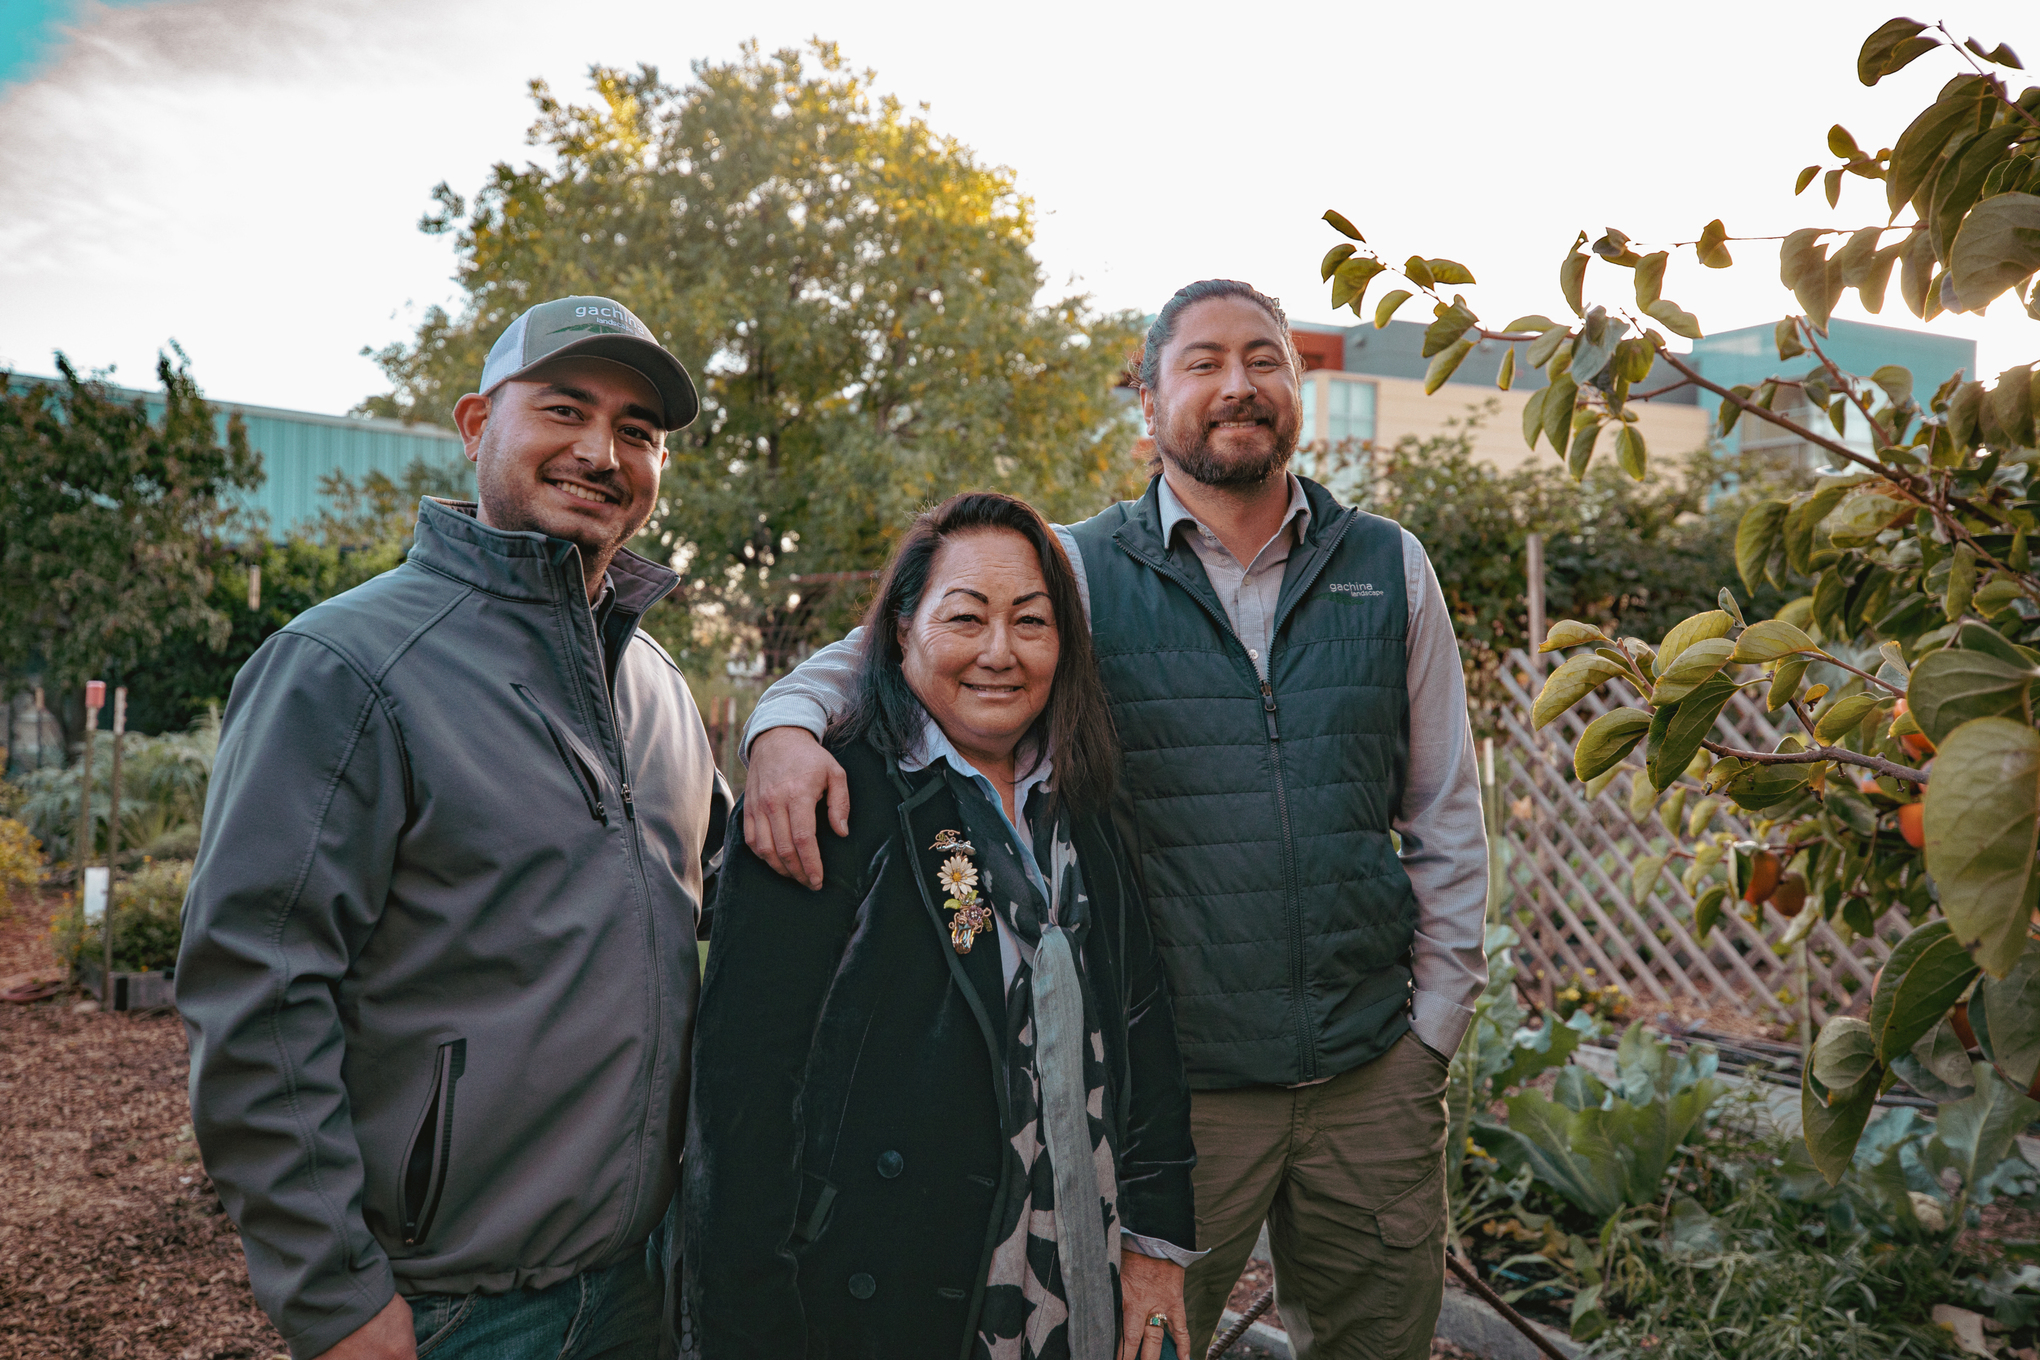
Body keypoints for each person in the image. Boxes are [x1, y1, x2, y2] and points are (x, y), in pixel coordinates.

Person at [739, 280, 1488, 1358]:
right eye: (1202, 361)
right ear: (1149, 400)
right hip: (1181, 1094)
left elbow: (1448, 816)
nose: (1239, 383)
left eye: (1265, 358)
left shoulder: (1388, 566)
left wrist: (1432, 1036)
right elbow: (897, 651)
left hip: (1369, 1080)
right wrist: (785, 726)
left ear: (1297, 385)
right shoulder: (1079, 569)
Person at [178, 295, 730, 1360]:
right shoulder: (346, 667)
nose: (601, 451)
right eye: (565, 408)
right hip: (457, 1313)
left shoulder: (656, 686)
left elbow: (739, 891)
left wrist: (807, 720)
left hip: (647, 1288)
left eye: (638, 431)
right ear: (479, 426)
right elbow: (254, 991)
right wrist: (335, 1295)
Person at [683, 492, 1198, 1360]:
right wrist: (751, 1327)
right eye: (966, 618)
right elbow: (745, 1097)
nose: (1001, 652)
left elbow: (1144, 1035)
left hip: (1081, 1280)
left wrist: (1156, 1254)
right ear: (898, 633)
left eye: (1031, 622)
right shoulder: (829, 801)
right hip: (884, 1297)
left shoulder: (1080, 806)